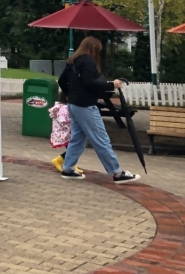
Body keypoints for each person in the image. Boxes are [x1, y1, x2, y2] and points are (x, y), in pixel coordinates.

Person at [57, 36, 140, 183]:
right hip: (86, 106)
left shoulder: (73, 61)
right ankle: (117, 173)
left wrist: (72, 94)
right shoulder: (88, 61)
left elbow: (62, 81)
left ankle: (68, 168)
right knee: (101, 139)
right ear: (94, 49)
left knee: (78, 139)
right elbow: (91, 82)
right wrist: (112, 85)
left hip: (74, 105)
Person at [48, 89, 82, 174]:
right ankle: (59, 160)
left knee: (72, 148)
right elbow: (63, 121)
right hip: (66, 133)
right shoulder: (64, 108)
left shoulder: (64, 106)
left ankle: (71, 164)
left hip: (67, 132)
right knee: (72, 149)